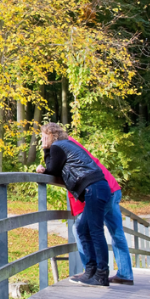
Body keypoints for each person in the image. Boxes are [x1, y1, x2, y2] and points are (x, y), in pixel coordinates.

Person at [36, 122, 113, 287]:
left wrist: (45, 150)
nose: (42, 139)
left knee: (95, 232)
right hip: (98, 188)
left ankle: (101, 275)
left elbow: (52, 170)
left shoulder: (57, 146)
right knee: (82, 229)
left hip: (94, 189)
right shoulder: (67, 144)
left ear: (52, 135)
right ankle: (91, 271)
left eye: (44, 136)